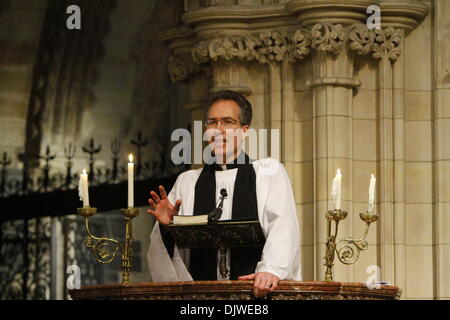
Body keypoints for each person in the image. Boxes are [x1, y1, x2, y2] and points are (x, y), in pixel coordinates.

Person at [146, 90, 301, 298]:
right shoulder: (188, 182)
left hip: (254, 296)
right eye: (212, 122)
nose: (218, 130)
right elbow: (166, 256)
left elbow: (283, 226)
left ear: (244, 130)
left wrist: (271, 269)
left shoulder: (268, 173)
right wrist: (167, 229)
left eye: (228, 122)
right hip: (201, 299)